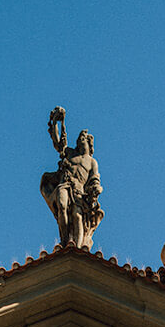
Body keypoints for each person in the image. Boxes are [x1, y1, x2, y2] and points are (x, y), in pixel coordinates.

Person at [40, 107, 104, 250]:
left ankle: (78, 247)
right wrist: (57, 123)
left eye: (82, 139)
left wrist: (96, 189)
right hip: (65, 184)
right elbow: (58, 142)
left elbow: (95, 180)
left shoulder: (92, 162)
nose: (79, 141)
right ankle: (65, 241)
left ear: (88, 143)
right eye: (78, 139)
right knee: (62, 206)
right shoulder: (70, 153)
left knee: (77, 216)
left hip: (79, 191)